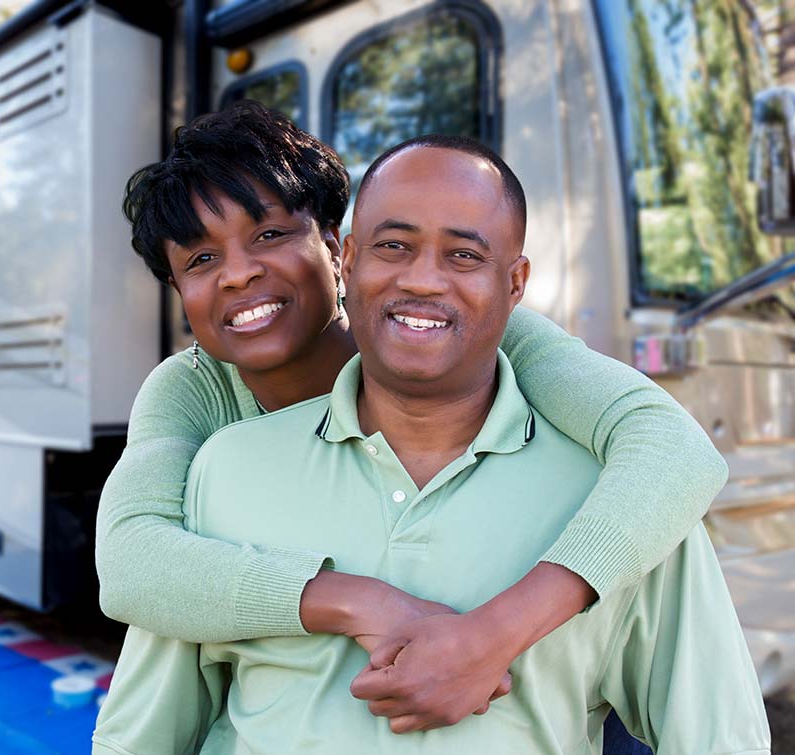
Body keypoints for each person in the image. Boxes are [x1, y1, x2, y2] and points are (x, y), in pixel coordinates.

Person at [94, 135, 769, 754]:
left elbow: (671, 446)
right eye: (202, 258)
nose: (239, 274)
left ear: (335, 249)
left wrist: (491, 635)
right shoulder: (206, 428)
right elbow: (132, 564)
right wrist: (356, 599)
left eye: (270, 234)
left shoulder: (483, 334)